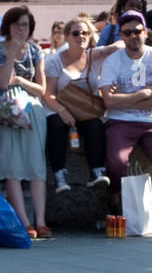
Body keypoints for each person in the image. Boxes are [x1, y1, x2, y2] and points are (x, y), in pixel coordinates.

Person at [98, 11, 152, 239]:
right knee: (117, 161)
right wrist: (145, 92)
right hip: (120, 121)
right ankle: (114, 194)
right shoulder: (113, 61)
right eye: (128, 32)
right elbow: (108, 101)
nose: (133, 36)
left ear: (145, 32)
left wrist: (125, 97)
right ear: (121, 36)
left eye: (137, 31)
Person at [0, 6, 50, 239]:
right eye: (16, 24)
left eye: (24, 24)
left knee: (35, 166)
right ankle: (24, 222)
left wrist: (20, 79)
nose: (20, 29)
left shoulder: (35, 51)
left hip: (31, 109)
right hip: (6, 110)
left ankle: (41, 221)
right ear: (7, 27)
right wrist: (12, 51)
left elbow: (41, 89)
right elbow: (2, 82)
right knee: (11, 166)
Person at [44, 13, 118, 192]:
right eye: (76, 33)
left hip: (84, 109)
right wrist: (63, 111)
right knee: (56, 124)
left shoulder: (93, 56)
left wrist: (104, 48)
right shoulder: (54, 60)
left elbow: (120, 46)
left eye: (85, 33)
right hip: (57, 106)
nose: (81, 37)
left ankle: (96, 171)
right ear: (67, 36)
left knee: (95, 125)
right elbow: (48, 94)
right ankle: (59, 175)